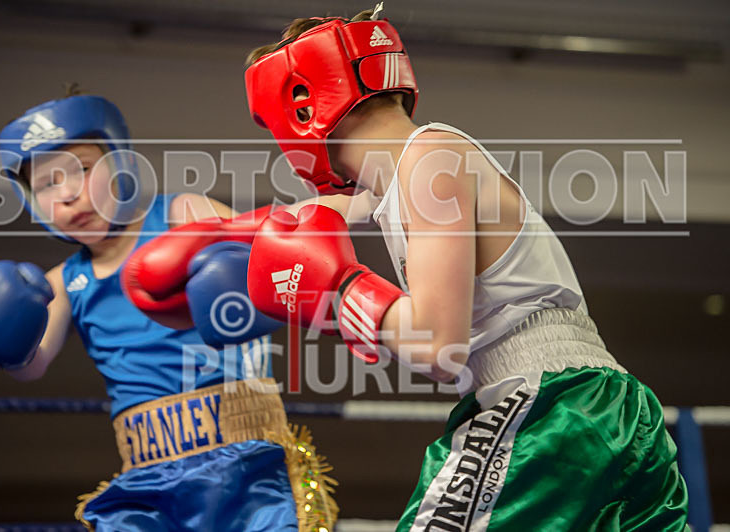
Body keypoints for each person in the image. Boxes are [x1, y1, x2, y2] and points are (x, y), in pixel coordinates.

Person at [241, 5, 689, 531]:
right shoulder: (408, 174)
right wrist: (199, 239)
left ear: (300, 105)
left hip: (549, 411)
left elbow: (438, 345)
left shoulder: (429, 161)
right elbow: (303, 221)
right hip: (603, 414)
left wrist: (342, 287)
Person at [0, 90, 337, 531]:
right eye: (45, 184)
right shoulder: (59, 284)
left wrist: (246, 282)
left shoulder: (182, 213)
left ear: (120, 162)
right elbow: (31, 365)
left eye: (81, 170)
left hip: (248, 460)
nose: (69, 194)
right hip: (147, 480)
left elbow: (282, 263)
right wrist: (1, 335)